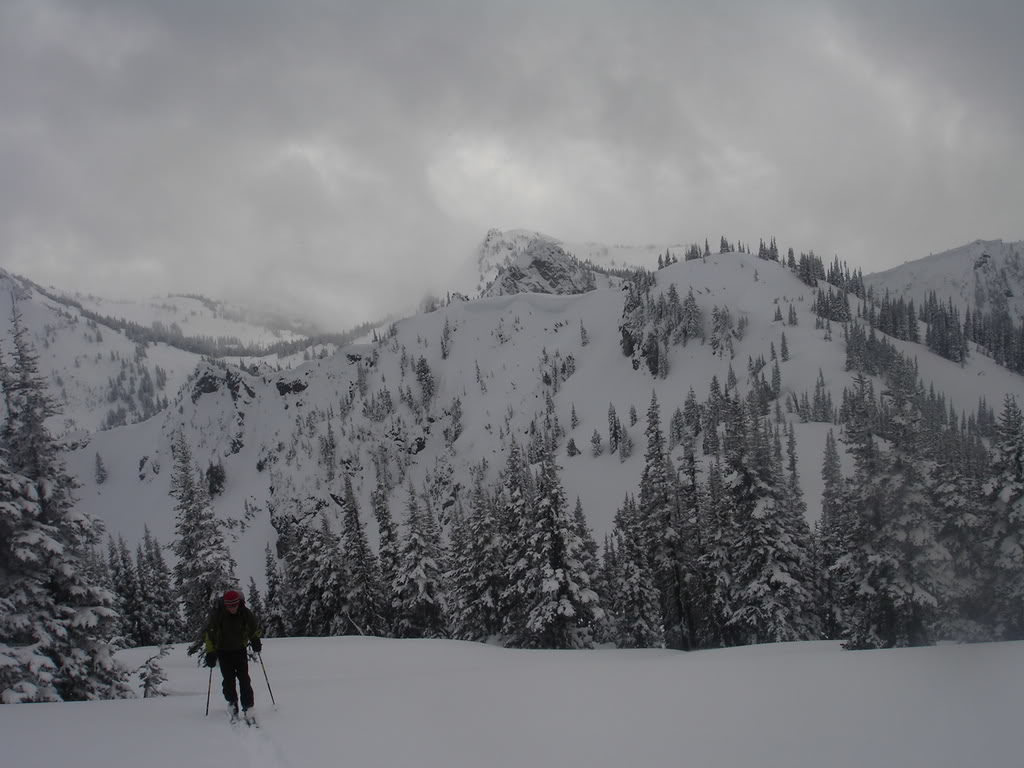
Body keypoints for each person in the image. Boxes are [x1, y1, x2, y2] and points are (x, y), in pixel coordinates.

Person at [203, 589, 262, 719]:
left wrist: (256, 640)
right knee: (228, 680)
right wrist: (211, 652)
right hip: (223, 652)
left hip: (240, 650)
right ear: (225, 604)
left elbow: (253, 628)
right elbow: (210, 635)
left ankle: (248, 706)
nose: (232, 608)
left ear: (238, 603)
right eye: (229, 606)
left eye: (234, 605)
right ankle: (232, 702)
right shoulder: (218, 615)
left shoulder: (245, 613)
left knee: (244, 679)